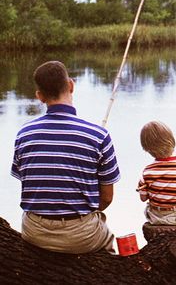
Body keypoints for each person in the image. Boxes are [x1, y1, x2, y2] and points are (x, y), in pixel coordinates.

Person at [11, 60, 121, 254]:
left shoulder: (24, 134)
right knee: (108, 240)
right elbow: (107, 198)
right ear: (71, 85)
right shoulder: (98, 135)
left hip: (34, 232)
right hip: (81, 235)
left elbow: (29, 183)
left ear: (40, 97)